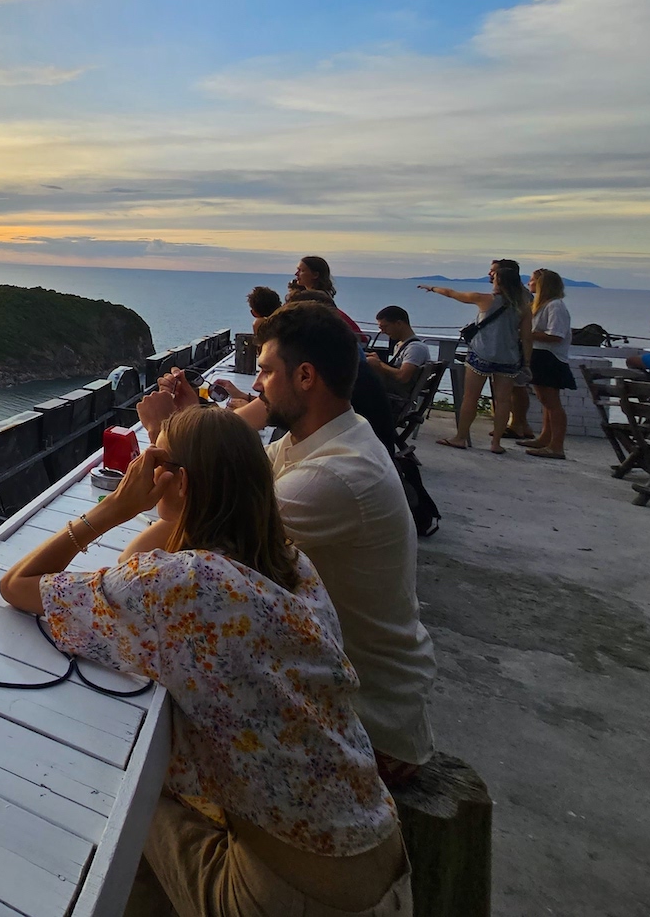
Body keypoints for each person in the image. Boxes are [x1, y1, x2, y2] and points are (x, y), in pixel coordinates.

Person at [0, 407, 410, 917]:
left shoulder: (187, 586)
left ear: (180, 480)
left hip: (294, 896)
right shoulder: (289, 562)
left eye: (156, 458)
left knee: (116, 806)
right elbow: (145, 564)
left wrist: (113, 509)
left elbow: (15, 586)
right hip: (381, 857)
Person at [148, 302, 437, 779]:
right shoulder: (330, 435)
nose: (256, 386)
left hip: (367, 725)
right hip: (347, 687)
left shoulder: (333, 476)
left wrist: (164, 437)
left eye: (264, 371)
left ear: (305, 377)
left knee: (160, 747)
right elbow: (238, 482)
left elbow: (189, 543)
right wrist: (191, 424)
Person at [422, 261, 533, 454]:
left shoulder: (484, 299)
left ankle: (461, 437)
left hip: (481, 354)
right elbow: (526, 337)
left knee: (470, 398)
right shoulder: (524, 307)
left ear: (499, 281)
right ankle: (496, 443)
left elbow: (452, 294)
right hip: (508, 358)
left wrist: (432, 288)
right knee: (504, 401)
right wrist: (527, 363)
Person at [522, 269, 575, 459]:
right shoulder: (541, 305)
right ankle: (545, 437)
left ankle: (557, 445)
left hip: (550, 358)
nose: (529, 284)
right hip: (540, 356)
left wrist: (527, 333)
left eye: (532, 281)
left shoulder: (555, 306)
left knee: (553, 403)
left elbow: (556, 335)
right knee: (545, 401)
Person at [366, 306, 433, 397]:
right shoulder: (400, 345)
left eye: (385, 327)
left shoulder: (415, 348)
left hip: (394, 399)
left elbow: (402, 377)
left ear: (399, 324)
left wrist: (379, 364)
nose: (382, 331)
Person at [294, 255, 363, 336]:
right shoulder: (323, 295)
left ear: (315, 275)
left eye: (301, 270)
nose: (296, 274)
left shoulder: (316, 299)